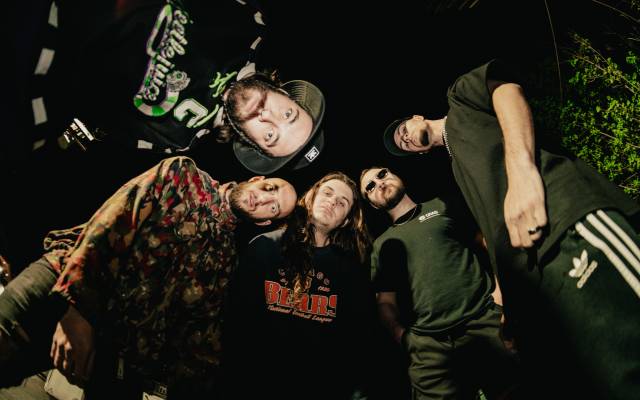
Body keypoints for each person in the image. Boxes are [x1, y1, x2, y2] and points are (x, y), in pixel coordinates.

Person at [382, 59, 640, 399]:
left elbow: (505, 87)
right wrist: (510, 305)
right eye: (404, 145)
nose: (405, 139)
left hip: (566, 224)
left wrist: (522, 172)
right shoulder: (459, 171)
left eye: (403, 131)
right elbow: (494, 234)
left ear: (417, 118)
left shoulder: (459, 100)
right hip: (538, 277)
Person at [0, 156, 297, 398]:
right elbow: (112, 223)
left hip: (104, 344)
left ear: (265, 221)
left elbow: (200, 337)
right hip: (62, 287)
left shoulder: (225, 258)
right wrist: (78, 309)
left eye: (273, 207)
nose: (263, 199)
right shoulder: (186, 176)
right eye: (271, 188)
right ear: (257, 179)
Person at [50, 1, 325, 174]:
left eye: (269, 136)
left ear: (252, 144)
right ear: (286, 94)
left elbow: (85, 105)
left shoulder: (176, 139)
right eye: (288, 114)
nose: (268, 117)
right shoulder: (248, 26)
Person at [360, 166, 518, 400]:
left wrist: (501, 296)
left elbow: (488, 245)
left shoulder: (442, 205)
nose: (379, 183)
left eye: (382, 174)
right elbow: (385, 301)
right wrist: (403, 337)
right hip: (429, 346)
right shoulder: (382, 244)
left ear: (397, 175)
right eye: (370, 187)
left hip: (484, 322)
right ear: (373, 204)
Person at [224, 172, 374, 399]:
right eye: (327, 193)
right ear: (311, 197)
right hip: (255, 386)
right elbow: (236, 323)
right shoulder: (264, 247)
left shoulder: (350, 271)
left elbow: (353, 343)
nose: (332, 201)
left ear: (345, 220)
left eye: (342, 202)